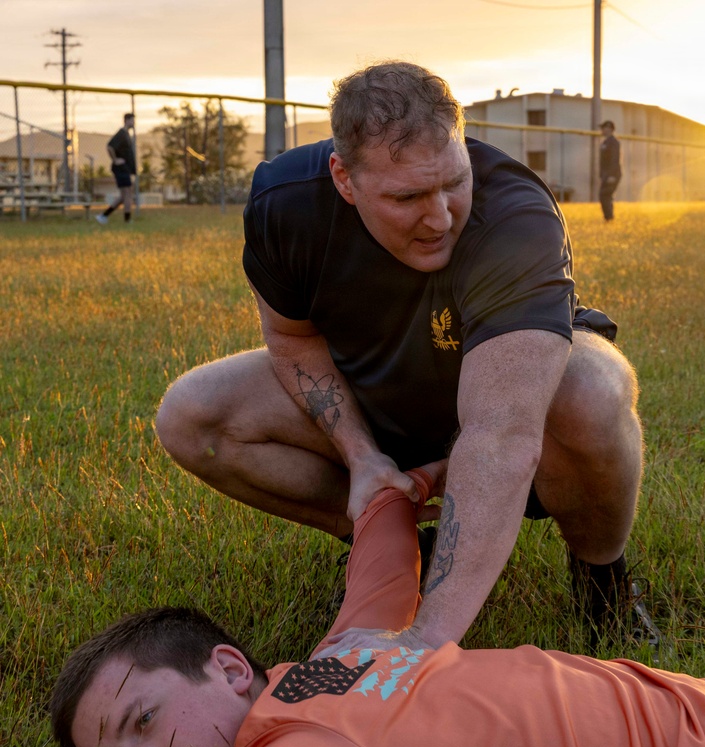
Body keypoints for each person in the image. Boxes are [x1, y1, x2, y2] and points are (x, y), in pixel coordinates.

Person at [154, 61, 652, 652]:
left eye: (454, 182)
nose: (440, 217)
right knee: (192, 416)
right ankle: (393, 543)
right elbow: (292, 338)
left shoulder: (516, 216)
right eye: (408, 195)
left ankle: (602, 576)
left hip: (501, 401)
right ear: (344, 179)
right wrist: (361, 455)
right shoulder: (285, 205)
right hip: (380, 397)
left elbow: (502, 435)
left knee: (590, 391)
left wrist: (425, 644)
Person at [51, 469, 705, 747]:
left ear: (227, 668)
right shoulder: (350, 653)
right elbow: (383, 541)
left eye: (141, 721)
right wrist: (394, 479)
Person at [95, 113, 137, 224]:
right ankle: (127, 220)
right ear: (127, 120)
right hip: (121, 168)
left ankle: (103, 216)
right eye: (132, 120)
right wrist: (115, 160)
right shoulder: (122, 133)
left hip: (125, 168)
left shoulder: (127, 134)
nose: (134, 123)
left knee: (124, 195)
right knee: (128, 193)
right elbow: (110, 146)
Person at [598, 119, 621, 221]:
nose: (602, 130)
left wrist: (611, 175)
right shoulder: (606, 142)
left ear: (609, 129)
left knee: (605, 195)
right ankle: (609, 218)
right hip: (606, 175)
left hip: (612, 174)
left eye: (604, 128)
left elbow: (614, 159)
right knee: (606, 196)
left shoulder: (613, 142)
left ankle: (609, 218)